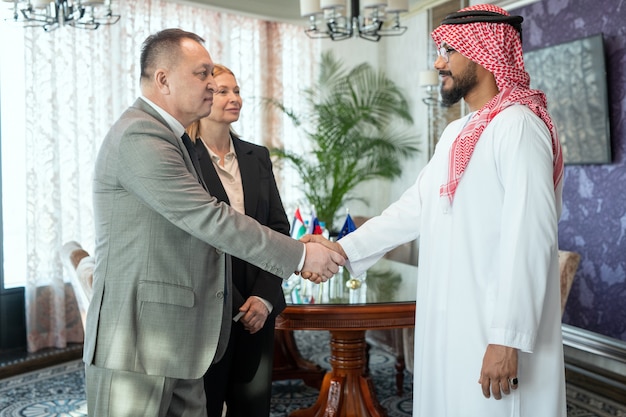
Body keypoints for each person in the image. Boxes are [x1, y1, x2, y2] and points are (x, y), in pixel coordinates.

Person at [302, 4, 566, 416]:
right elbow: (412, 209)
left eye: (448, 51)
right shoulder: (457, 132)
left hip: (493, 326)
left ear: (483, 54)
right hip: (450, 317)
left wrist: (506, 338)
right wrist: (341, 250)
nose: (439, 62)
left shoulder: (518, 125)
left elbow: (530, 234)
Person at [84, 28, 345, 417]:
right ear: (163, 79)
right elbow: (210, 219)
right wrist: (302, 256)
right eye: (202, 74)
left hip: (182, 340)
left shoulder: (175, 140)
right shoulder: (141, 135)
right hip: (141, 346)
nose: (212, 85)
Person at [185, 64, 287, 416]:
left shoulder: (257, 155)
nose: (234, 98)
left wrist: (263, 297)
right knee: (206, 407)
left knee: (253, 408)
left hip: (261, 306)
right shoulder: (184, 157)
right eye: (223, 91)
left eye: (237, 90)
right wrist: (237, 304)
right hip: (210, 309)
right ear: (204, 97)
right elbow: (194, 240)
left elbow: (277, 230)